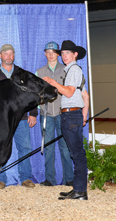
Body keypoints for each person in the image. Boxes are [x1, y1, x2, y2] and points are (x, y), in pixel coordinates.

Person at [0, 44, 37, 189]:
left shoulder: (22, 74)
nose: (8, 56)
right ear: (0, 56)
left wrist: (32, 113)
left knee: (25, 147)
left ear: (14, 55)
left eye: (11, 53)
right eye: (5, 54)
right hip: (1, 121)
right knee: (0, 149)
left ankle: (25, 178)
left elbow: (31, 94)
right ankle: (0, 179)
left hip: (21, 118)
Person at [43, 40, 89, 200]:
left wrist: (53, 83)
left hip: (70, 115)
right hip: (73, 115)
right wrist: (84, 115)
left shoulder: (74, 70)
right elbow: (85, 95)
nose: (64, 56)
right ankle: (78, 188)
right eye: (62, 53)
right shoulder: (73, 70)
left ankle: (80, 191)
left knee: (76, 154)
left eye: (67, 53)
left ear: (75, 54)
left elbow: (69, 93)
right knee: (75, 153)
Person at [36, 42, 73, 187]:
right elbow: (35, 94)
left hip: (62, 113)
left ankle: (69, 178)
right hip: (46, 114)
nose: (51, 55)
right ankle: (50, 179)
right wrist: (39, 106)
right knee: (48, 147)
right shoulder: (39, 72)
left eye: (53, 52)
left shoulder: (66, 70)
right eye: (48, 52)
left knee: (65, 147)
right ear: (45, 54)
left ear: (58, 54)